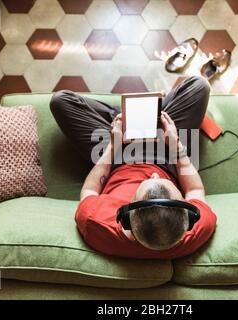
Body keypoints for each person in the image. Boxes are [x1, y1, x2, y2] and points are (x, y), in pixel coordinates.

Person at [50, 76, 217, 259]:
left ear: (126, 217)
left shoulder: (95, 223)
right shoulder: (197, 227)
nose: (153, 175)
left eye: (145, 184)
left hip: (114, 159)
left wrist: (113, 145)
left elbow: (90, 189)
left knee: (60, 100)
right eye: (160, 181)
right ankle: (145, 115)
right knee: (199, 85)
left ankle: (125, 117)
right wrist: (175, 143)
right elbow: (194, 189)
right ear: (188, 217)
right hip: (167, 155)